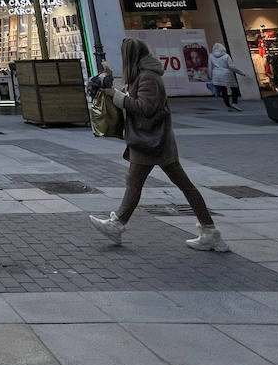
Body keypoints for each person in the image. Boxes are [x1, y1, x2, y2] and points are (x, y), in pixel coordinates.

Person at [90, 37, 229, 252]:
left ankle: (117, 224)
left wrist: (117, 96)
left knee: (160, 184)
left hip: (152, 141)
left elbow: (145, 107)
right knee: (162, 184)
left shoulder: (148, 78)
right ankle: (209, 231)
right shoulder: (144, 76)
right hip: (152, 141)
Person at [208, 43, 241, 112]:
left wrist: (210, 76)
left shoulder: (211, 56)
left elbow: (210, 67)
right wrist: (240, 72)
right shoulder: (226, 56)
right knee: (234, 88)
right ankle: (234, 103)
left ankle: (228, 106)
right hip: (227, 74)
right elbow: (231, 66)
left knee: (223, 91)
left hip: (217, 75)